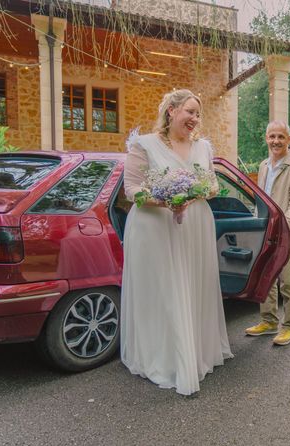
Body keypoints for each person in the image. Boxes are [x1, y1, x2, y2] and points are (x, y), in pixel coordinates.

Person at [121, 89, 233, 395]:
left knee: (193, 288)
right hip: (155, 228)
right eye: (190, 112)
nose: (195, 119)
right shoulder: (144, 145)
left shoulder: (203, 147)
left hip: (194, 225)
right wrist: (164, 200)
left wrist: (192, 195)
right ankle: (163, 359)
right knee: (164, 292)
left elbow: (212, 187)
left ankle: (194, 354)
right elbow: (130, 189)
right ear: (171, 110)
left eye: (198, 114)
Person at [244, 120, 290, 346]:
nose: (275, 141)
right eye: (272, 136)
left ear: (288, 139)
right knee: (266, 280)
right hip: (266, 233)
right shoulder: (263, 165)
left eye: (280, 137)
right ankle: (269, 322)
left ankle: (288, 327)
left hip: (286, 234)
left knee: (288, 284)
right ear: (266, 138)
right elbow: (261, 198)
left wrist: (283, 227)